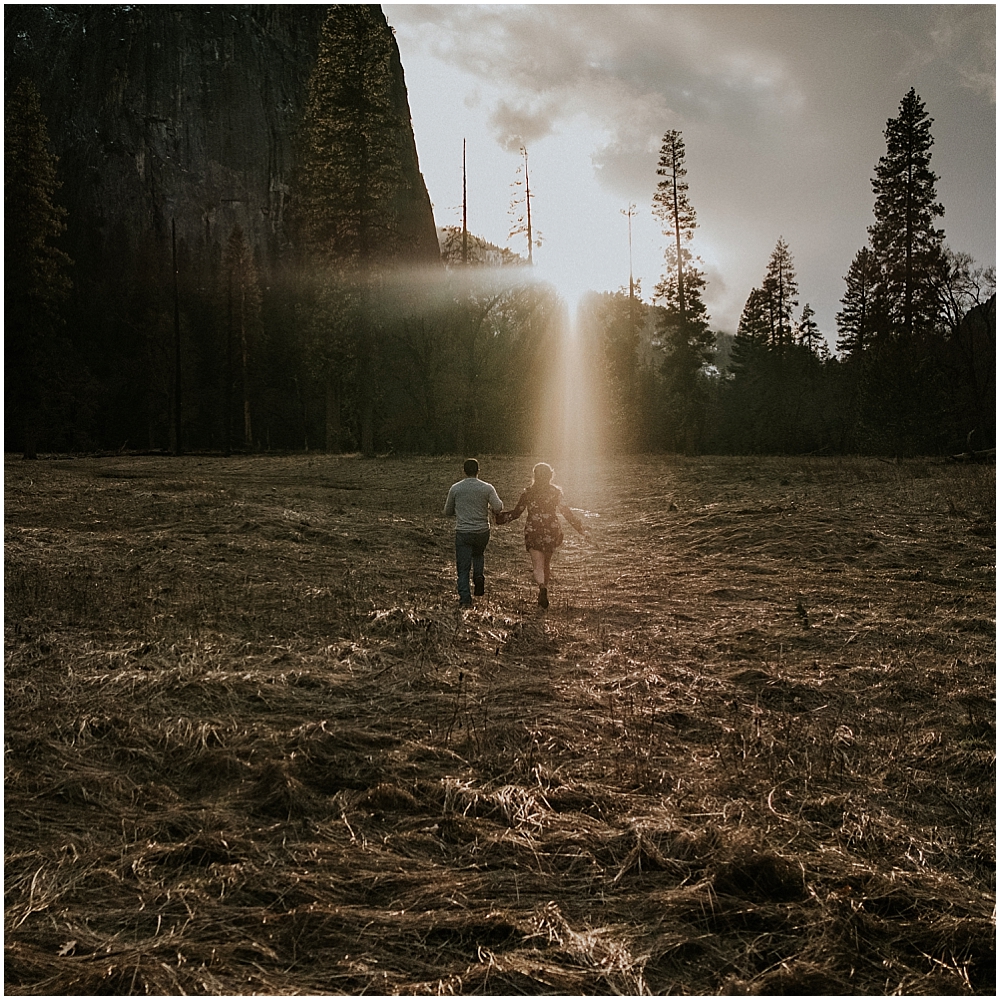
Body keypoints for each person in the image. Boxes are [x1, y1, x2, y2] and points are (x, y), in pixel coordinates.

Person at [496, 462, 586, 609]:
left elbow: (517, 513)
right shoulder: (555, 492)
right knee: (546, 564)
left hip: (533, 530)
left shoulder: (528, 493)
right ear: (550, 476)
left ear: (534, 475)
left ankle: (542, 587)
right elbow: (566, 512)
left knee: (537, 565)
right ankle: (544, 591)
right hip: (551, 530)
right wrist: (580, 528)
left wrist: (499, 519)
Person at [443, 458, 504, 608]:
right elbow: (498, 507)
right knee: (478, 554)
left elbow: (448, 511)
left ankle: (465, 598)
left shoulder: (456, 488)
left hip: (463, 531)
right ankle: (478, 577)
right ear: (478, 471)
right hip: (482, 530)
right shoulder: (487, 488)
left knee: (463, 567)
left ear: (464, 471)